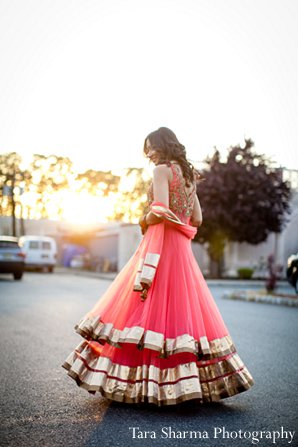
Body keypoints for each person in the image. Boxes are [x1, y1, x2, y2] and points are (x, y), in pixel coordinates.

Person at [62, 127, 254, 406]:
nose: (149, 153)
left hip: (162, 246)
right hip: (182, 250)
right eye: (147, 149)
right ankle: (185, 386)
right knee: (178, 312)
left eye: (152, 147)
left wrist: (143, 219)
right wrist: (180, 218)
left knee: (147, 306)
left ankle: (147, 385)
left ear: (164, 145)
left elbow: (161, 209)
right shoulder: (188, 176)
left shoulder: (161, 171)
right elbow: (197, 218)